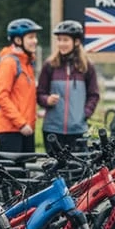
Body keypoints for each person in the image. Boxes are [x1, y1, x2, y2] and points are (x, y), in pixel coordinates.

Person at [36, 20, 100, 154]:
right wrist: (46, 100)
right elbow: (40, 93)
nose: (61, 44)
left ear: (76, 42)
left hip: (78, 130)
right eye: (59, 40)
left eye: (65, 40)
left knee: (78, 171)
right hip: (52, 129)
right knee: (55, 171)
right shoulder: (49, 65)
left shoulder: (87, 67)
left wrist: (84, 114)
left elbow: (93, 94)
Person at [0, 18, 40, 153]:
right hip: (12, 130)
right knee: (14, 174)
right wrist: (21, 123)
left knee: (27, 172)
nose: (35, 41)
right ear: (18, 40)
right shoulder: (9, 63)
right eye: (31, 37)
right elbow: (1, 96)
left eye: (35, 37)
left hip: (25, 129)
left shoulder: (27, 63)